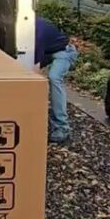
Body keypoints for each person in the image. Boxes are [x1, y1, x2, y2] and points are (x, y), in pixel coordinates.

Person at [35, 16, 78, 144]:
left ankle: (62, 128)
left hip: (64, 52)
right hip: (48, 51)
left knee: (54, 78)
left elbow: (33, 69)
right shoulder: (24, 28)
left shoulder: (37, 33)